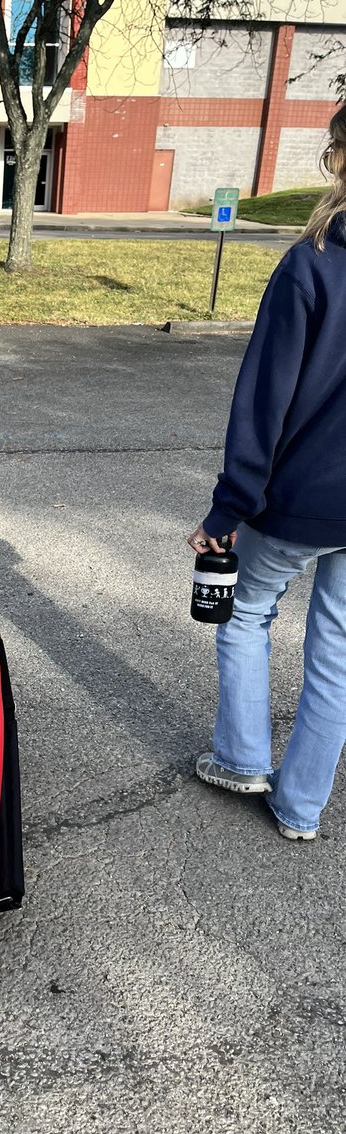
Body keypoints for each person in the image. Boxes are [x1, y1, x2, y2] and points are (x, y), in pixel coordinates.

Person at [188, 104, 346, 842]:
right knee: (338, 654)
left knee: (246, 611)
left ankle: (243, 756)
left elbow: (265, 396)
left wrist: (228, 509)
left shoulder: (312, 260)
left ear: (337, 157)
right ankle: (302, 807)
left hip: (300, 497)